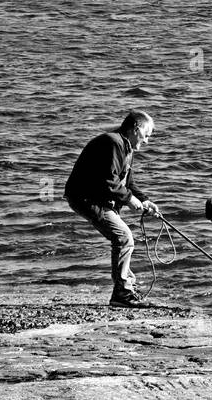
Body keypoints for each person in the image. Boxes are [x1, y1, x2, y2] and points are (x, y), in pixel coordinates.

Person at [64, 110, 160, 307]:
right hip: (86, 199)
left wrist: (145, 200)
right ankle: (122, 293)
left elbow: (127, 182)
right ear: (136, 129)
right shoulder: (113, 142)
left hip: (98, 199)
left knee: (123, 238)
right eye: (147, 135)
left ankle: (125, 287)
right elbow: (109, 182)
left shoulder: (126, 147)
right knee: (124, 238)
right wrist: (130, 200)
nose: (147, 141)